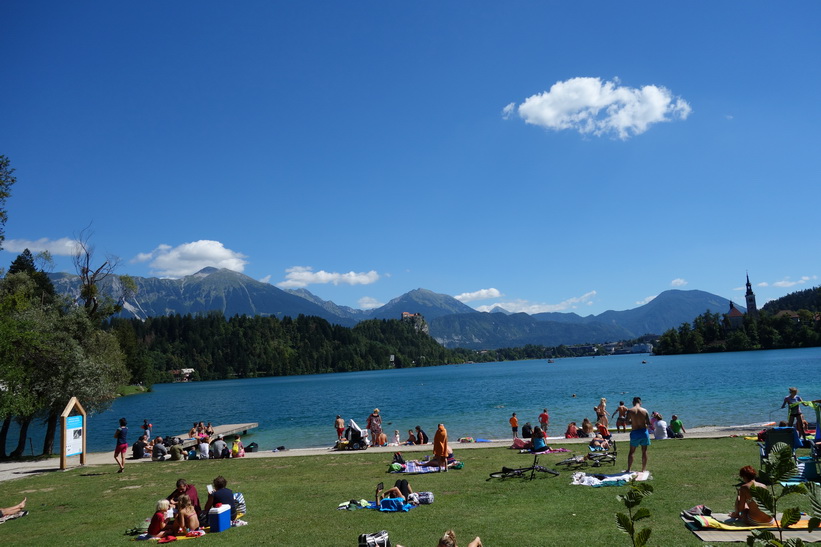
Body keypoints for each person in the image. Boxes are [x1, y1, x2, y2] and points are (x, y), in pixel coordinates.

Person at [626, 396, 651, 473]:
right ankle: (643, 469)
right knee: (644, 451)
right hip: (644, 432)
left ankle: (629, 469)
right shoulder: (645, 410)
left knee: (632, 451)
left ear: (633, 402)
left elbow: (627, 422)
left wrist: (633, 422)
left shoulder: (630, 410)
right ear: (640, 403)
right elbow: (648, 423)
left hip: (635, 432)